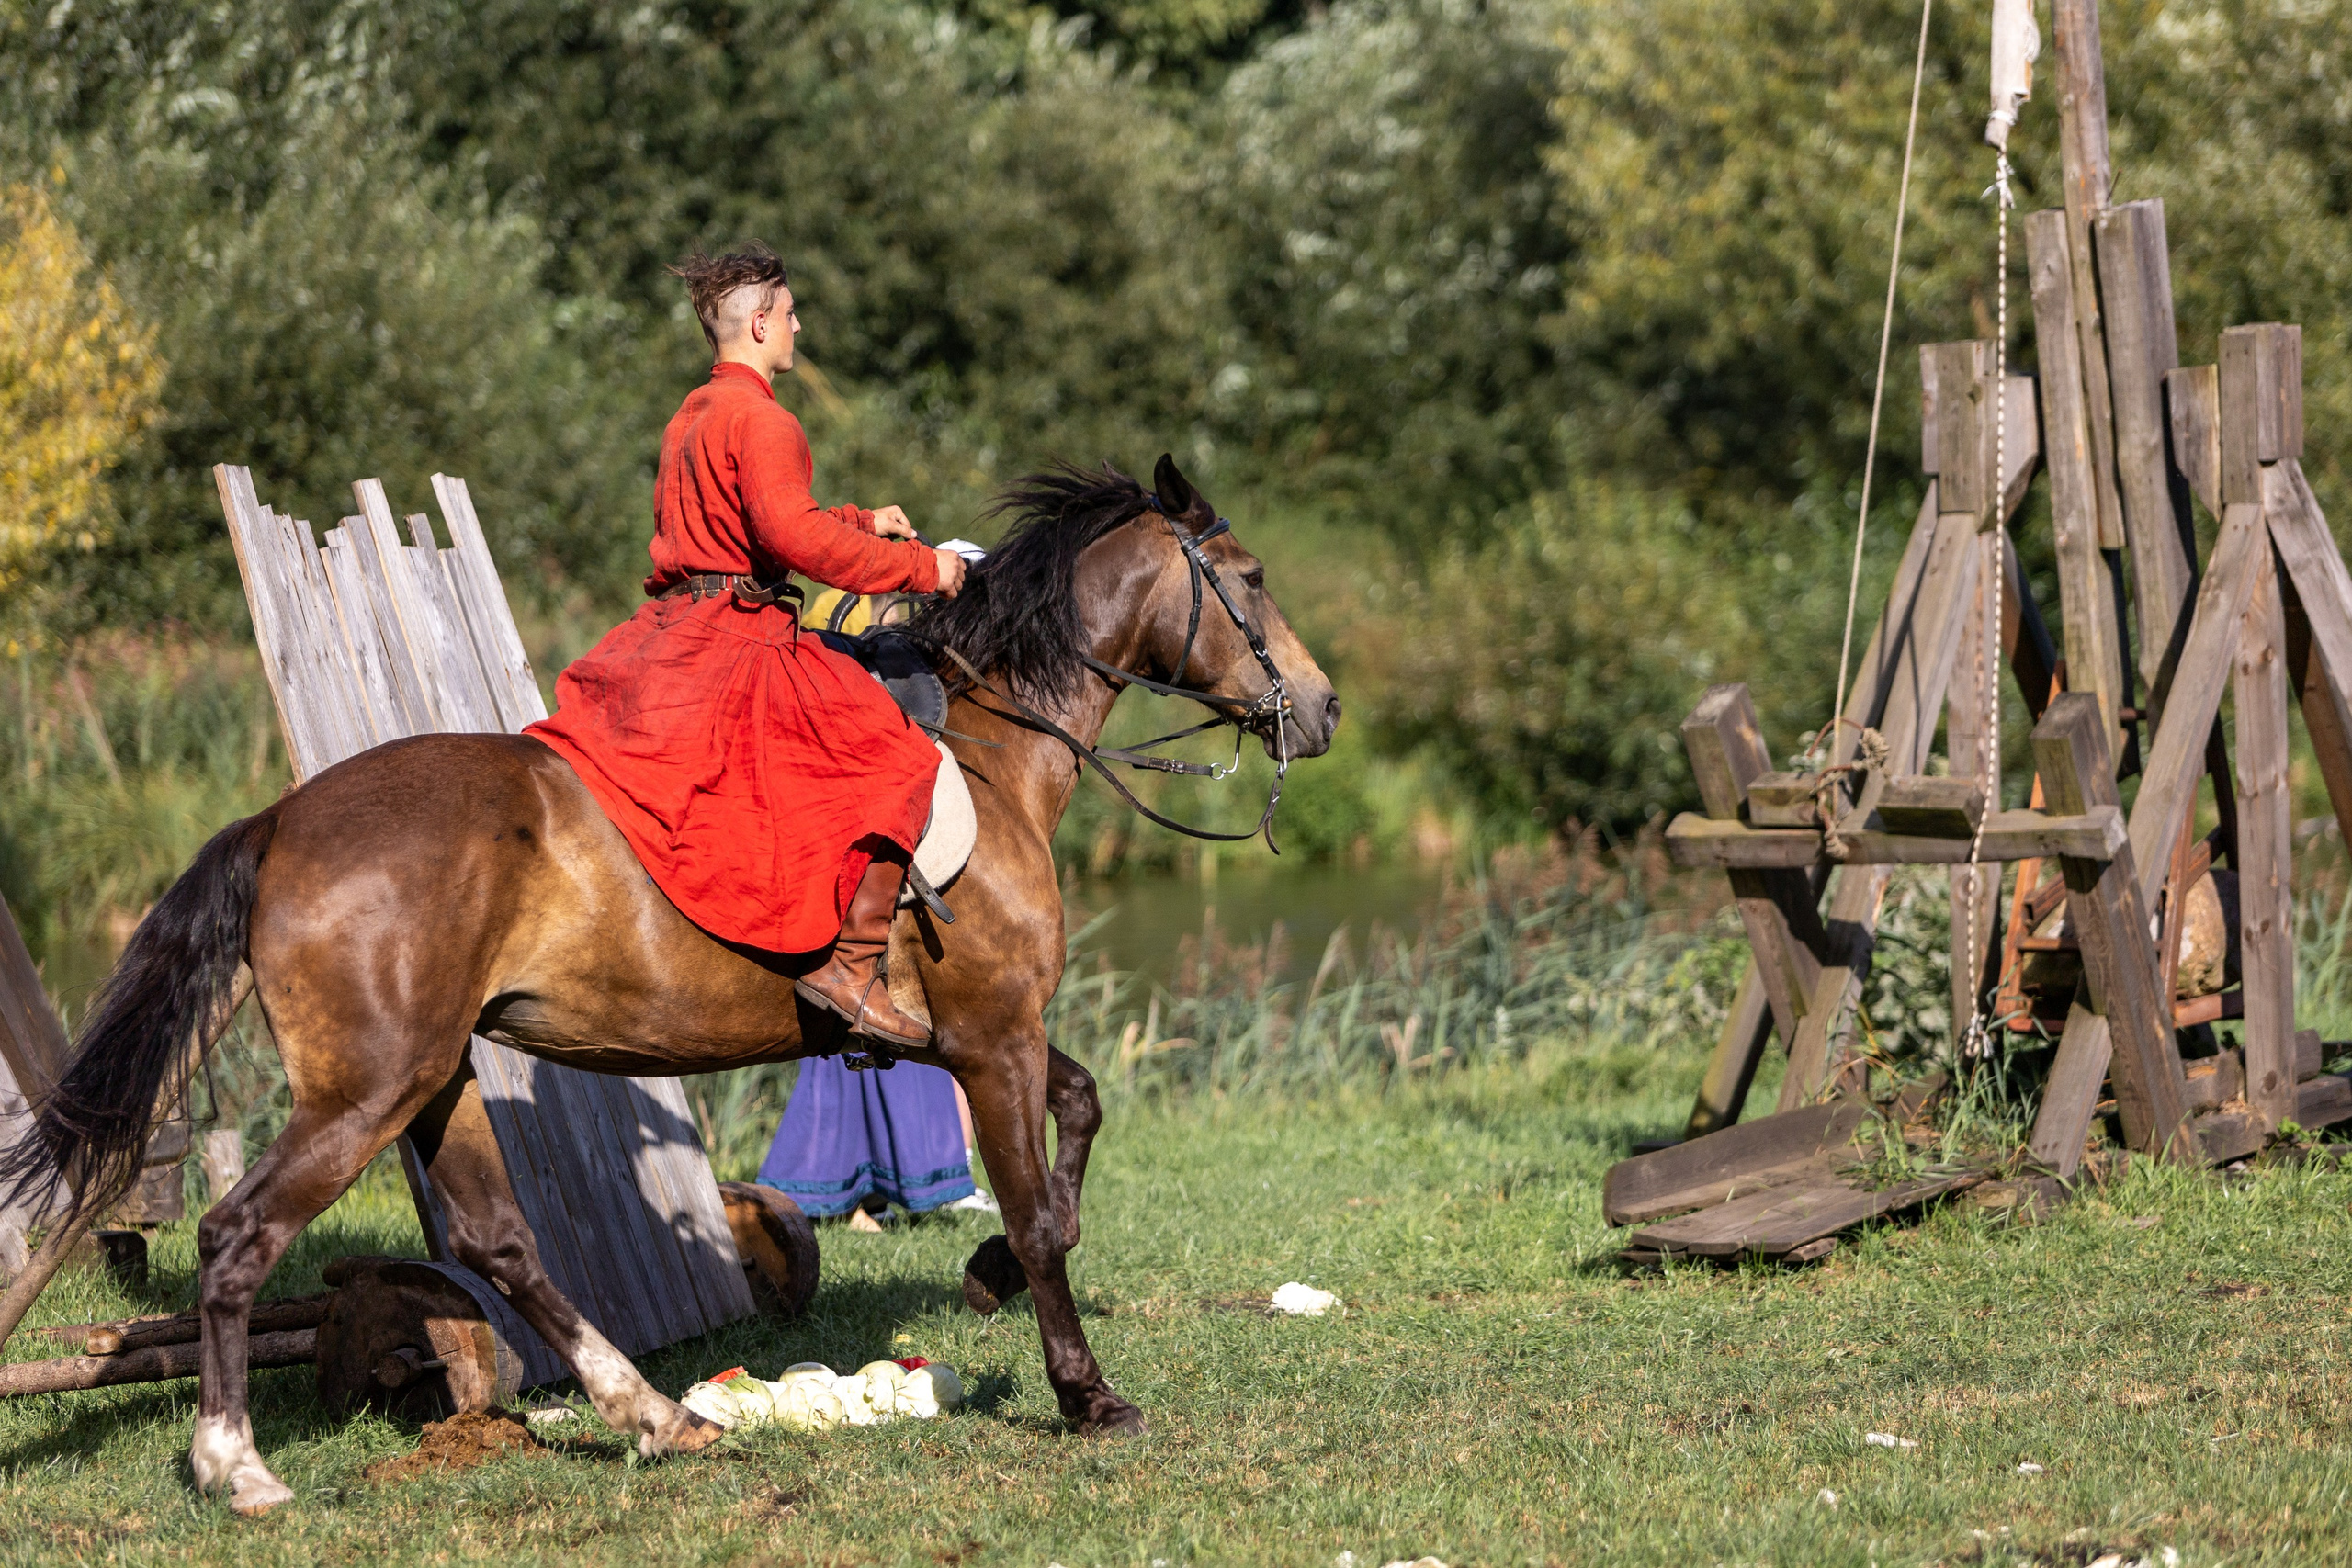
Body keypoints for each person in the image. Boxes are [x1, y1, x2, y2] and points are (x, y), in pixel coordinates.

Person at [526, 243, 966, 1048]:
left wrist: (865, 523)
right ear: (760, 323)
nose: (799, 325)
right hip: (738, 641)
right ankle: (853, 966)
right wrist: (924, 567)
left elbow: (749, 528)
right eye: (790, 313)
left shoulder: (692, 413)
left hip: (670, 631)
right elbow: (795, 539)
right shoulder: (765, 418)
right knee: (903, 759)